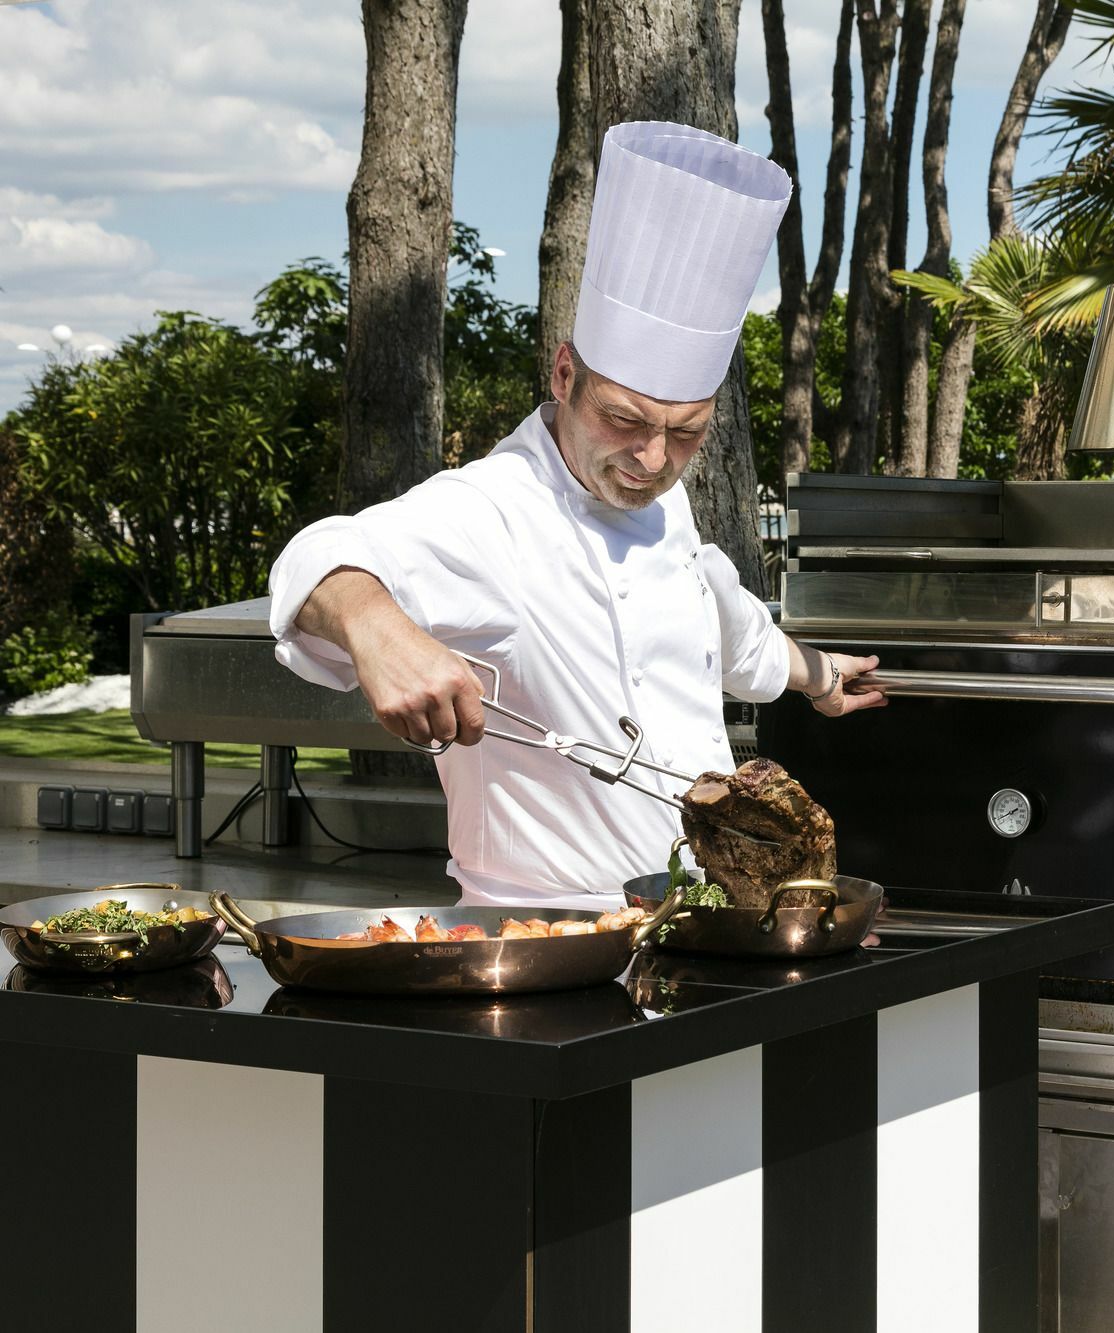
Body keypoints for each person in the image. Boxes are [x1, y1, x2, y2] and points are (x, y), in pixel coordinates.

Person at [267, 122, 882, 911]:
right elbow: (316, 559)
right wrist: (378, 629)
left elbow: (719, 624)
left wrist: (822, 676)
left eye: (685, 432)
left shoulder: (663, 496)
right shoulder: (491, 511)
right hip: (546, 937)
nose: (653, 460)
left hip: (705, 919)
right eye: (625, 420)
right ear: (565, 374)